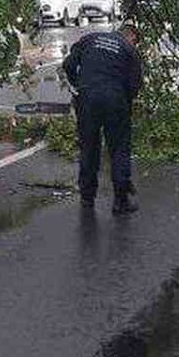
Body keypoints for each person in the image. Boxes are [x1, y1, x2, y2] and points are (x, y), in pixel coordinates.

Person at [63, 24, 144, 214]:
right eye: (136, 41)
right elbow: (135, 84)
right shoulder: (129, 50)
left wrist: (79, 85)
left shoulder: (90, 39)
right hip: (115, 100)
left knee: (89, 147)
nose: (135, 44)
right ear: (130, 36)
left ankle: (87, 198)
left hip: (88, 98)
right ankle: (120, 201)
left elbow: (68, 64)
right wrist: (125, 103)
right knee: (119, 149)